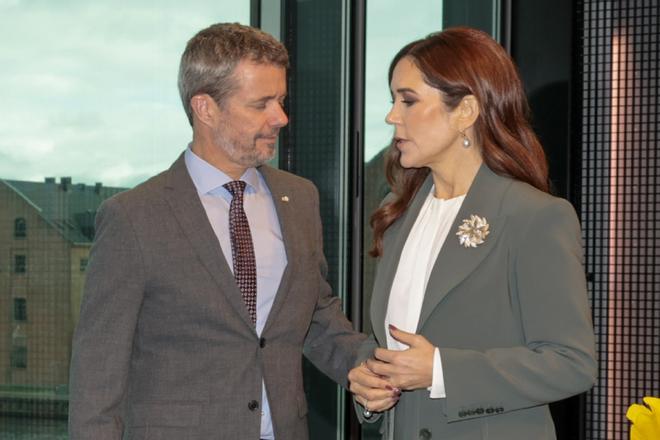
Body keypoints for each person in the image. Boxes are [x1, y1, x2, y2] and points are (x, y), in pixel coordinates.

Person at [68, 23, 366, 440]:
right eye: (261, 104)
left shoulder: (300, 199)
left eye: (280, 100)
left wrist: (370, 367)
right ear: (205, 108)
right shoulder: (132, 217)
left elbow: (313, 314)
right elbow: (98, 372)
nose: (281, 117)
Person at [348, 27, 597, 439]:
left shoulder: (534, 216)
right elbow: (388, 340)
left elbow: (572, 364)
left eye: (408, 100)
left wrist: (441, 371)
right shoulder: (399, 217)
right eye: (394, 100)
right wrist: (368, 377)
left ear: (465, 111)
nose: (393, 116)